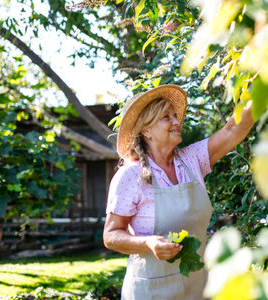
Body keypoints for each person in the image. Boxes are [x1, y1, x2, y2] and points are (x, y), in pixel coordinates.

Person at [103, 84, 254, 300]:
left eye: (176, 115)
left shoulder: (192, 160)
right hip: (150, 291)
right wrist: (148, 243)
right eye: (167, 117)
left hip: (197, 287)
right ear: (146, 131)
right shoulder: (130, 176)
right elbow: (110, 236)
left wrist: (262, 83)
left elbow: (232, 129)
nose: (177, 122)